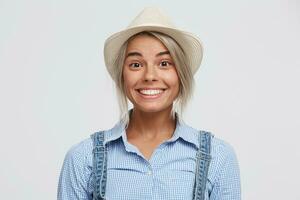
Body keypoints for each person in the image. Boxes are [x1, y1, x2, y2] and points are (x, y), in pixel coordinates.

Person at [57, 6, 241, 200]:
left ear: (181, 75)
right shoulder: (83, 158)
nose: (150, 76)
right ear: (122, 76)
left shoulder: (218, 157)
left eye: (164, 63)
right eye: (136, 64)